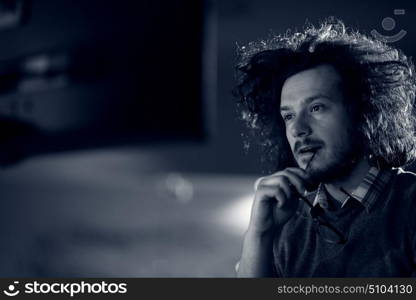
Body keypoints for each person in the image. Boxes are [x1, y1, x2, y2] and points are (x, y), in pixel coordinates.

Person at [234, 18, 416, 277]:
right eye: (288, 116)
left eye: (316, 108)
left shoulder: (409, 206)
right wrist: (260, 234)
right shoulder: (286, 222)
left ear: (364, 113)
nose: (298, 129)